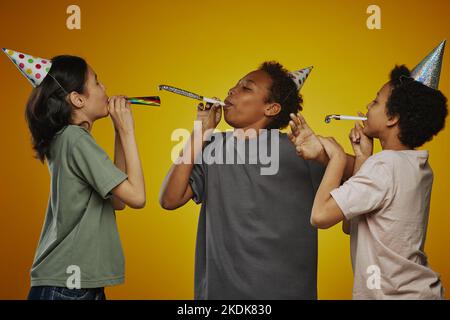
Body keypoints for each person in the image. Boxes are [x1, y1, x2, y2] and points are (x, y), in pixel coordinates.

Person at [160, 61, 334, 299]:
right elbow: (170, 199)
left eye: (246, 88)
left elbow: (364, 181)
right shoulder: (211, 146)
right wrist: (200, 132)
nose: (232, 90)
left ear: (271, 109)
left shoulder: (302, 149)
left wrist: (324, 156)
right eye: (236, 85)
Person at [289, 64, 447, 299]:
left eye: (375, 102)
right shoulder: (416, 166)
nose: (366, 107)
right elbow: (351, 222)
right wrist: (362, 157)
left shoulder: (383, 166)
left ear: (392, 118)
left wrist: (337, 158)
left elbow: (320, 216)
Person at [3, 49, 146, 300]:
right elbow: (137, 197)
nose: (105, 88)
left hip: (71, 282)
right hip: (69, 286)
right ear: (78, 99)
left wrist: (118, 132)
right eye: (97, 82)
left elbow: (117, 201)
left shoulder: (68, 139)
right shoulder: (76, 140)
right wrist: (128, 131)